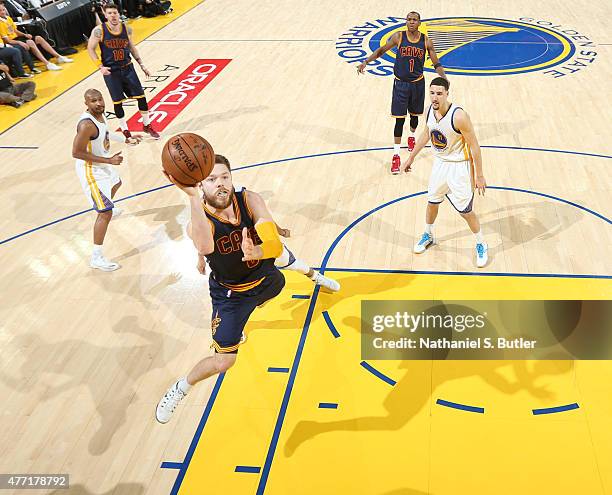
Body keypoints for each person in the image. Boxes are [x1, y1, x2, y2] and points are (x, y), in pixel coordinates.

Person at [155, 155, 341, 424]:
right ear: (200, 186)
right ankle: (180, 388)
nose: (220, 185)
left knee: (286, 264)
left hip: (264, 274)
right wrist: (192, 200)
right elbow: (205, 246)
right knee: (224, 362)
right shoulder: (198, 220)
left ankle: (316, 277)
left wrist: (261, 248)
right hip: (231, 293)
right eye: (211, 180)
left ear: (232, 178)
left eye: (225, 177)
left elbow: (273, 246)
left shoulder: (249, 199)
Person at [403, 77, 488, 268]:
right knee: (432, 202)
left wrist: (479, 175)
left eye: (439, 93)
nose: (434, 97)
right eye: (432, 93)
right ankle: (428, 234)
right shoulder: (429, 112)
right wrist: (411, 157)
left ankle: (481, 243)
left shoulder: (459, 116)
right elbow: (426, 134)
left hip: (460, 166)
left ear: (447, 94)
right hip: (440, 163)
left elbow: (474, 145)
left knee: (466, 212)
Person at [357, 11, 446, 174]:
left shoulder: (426, 41)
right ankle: (396, 155)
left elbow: (436, 62)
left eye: (414, 20)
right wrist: (365, 62)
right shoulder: (399, 37)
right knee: (398, 121)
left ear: (419, 23)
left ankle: (411, 136)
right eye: (409, 19)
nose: (411, 22)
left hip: (418, 84)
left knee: (414, 118)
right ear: (406, 22)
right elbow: (381, 50)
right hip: (400, 84)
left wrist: (444, 79)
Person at [72, 88, 142, 272]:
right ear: (86, 104)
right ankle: (96, 257)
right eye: (93, 101)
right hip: (90, 170)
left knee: (117, 182)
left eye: (100, 99)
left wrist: (127, 139)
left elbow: (106, 134)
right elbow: (77, 153)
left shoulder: (101, 116)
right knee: (105, 213)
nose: (98, 103)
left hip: (101, 163)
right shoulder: (86, 125)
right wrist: (109, 160)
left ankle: (105, 203)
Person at [87, 3, 160, 141]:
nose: (113, 15)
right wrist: (100, 66)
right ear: (105, 14)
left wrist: (142, 65)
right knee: (117, 102)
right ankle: (125, 129)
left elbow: (132, 48)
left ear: (118, 13)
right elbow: (90, 48)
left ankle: (146, 125)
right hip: (112, 71)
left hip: (128, 67)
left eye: (115, 12)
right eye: (109, 13)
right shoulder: (99, 31)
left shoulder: (127, 29)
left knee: (141, 97)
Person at [0, 3, 72, 71]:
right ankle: (47, 64)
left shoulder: (8, 18)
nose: (2, 12)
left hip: (17, 38)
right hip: (11, 42)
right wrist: (19, 42)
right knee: (31, 42)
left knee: (39, 38)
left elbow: (15, 31)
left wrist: (24, 35)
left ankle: (58, 56)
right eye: (0, 11)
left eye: (3, 10)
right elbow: (7, 41)